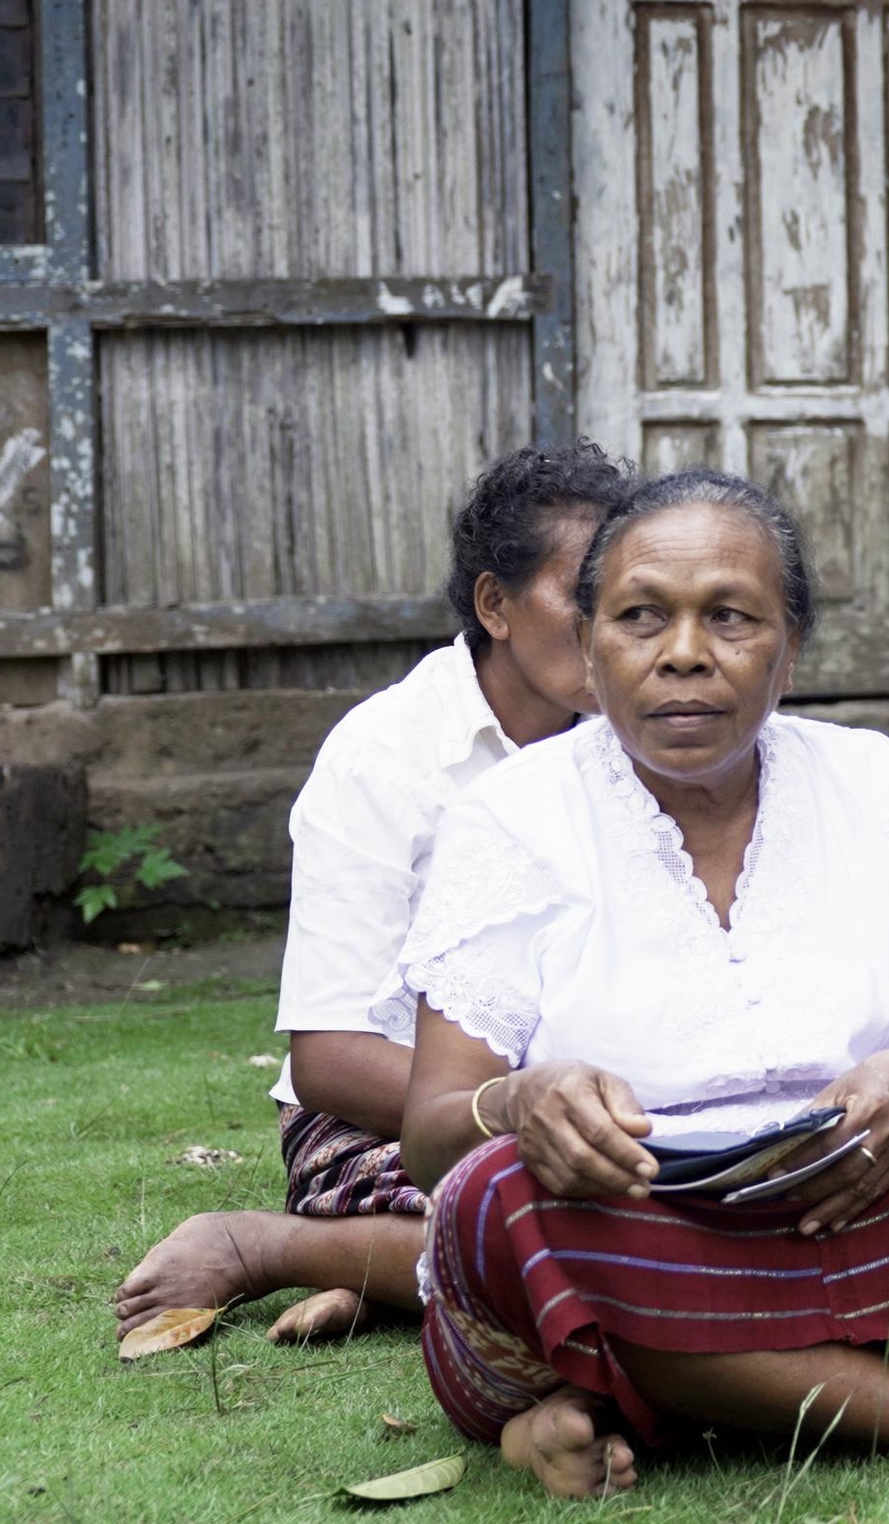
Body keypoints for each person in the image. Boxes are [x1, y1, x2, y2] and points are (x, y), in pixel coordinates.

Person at [394, 468, 889, 1499]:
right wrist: (519, 1099)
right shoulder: (507, 818)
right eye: (641, 617)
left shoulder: (878, 784)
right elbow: (430, 1133)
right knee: (493, 1194)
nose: (685, 652)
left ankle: (624, 1404)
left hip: (836, 1213)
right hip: (623, 1227)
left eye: (731, 617)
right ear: (593, 645)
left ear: (789, 651)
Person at [113, 444, 627, 1351]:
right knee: (582, 1242)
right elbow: (328, 1059)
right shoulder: (385, 758)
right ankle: (268, 1246)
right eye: (581, 596)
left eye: (630, 596)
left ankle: (381, 1269)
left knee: (689, 1216)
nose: (616, 625)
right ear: (495, 605)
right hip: (382, 1121)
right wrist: (522, 1109)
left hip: (595, 1107)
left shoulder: (637, 743)